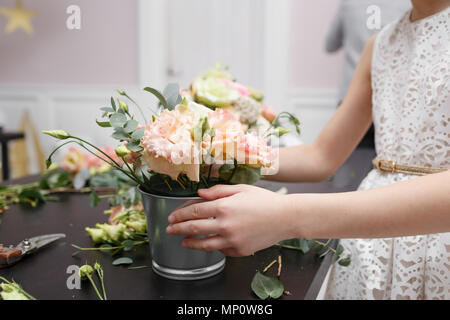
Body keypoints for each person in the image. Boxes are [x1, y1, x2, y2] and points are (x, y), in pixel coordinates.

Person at [166, 0, 450, 300]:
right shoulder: (380, 45)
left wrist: (286, 217)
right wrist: (220, 158)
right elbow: (320, 158)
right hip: (369, 256)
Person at [326, 0, 411, 149]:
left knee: (349, 160)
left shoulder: (348, 4)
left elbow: (330, 45)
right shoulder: (406, 5)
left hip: (351, 93)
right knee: (387, 156)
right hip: (391, 95)